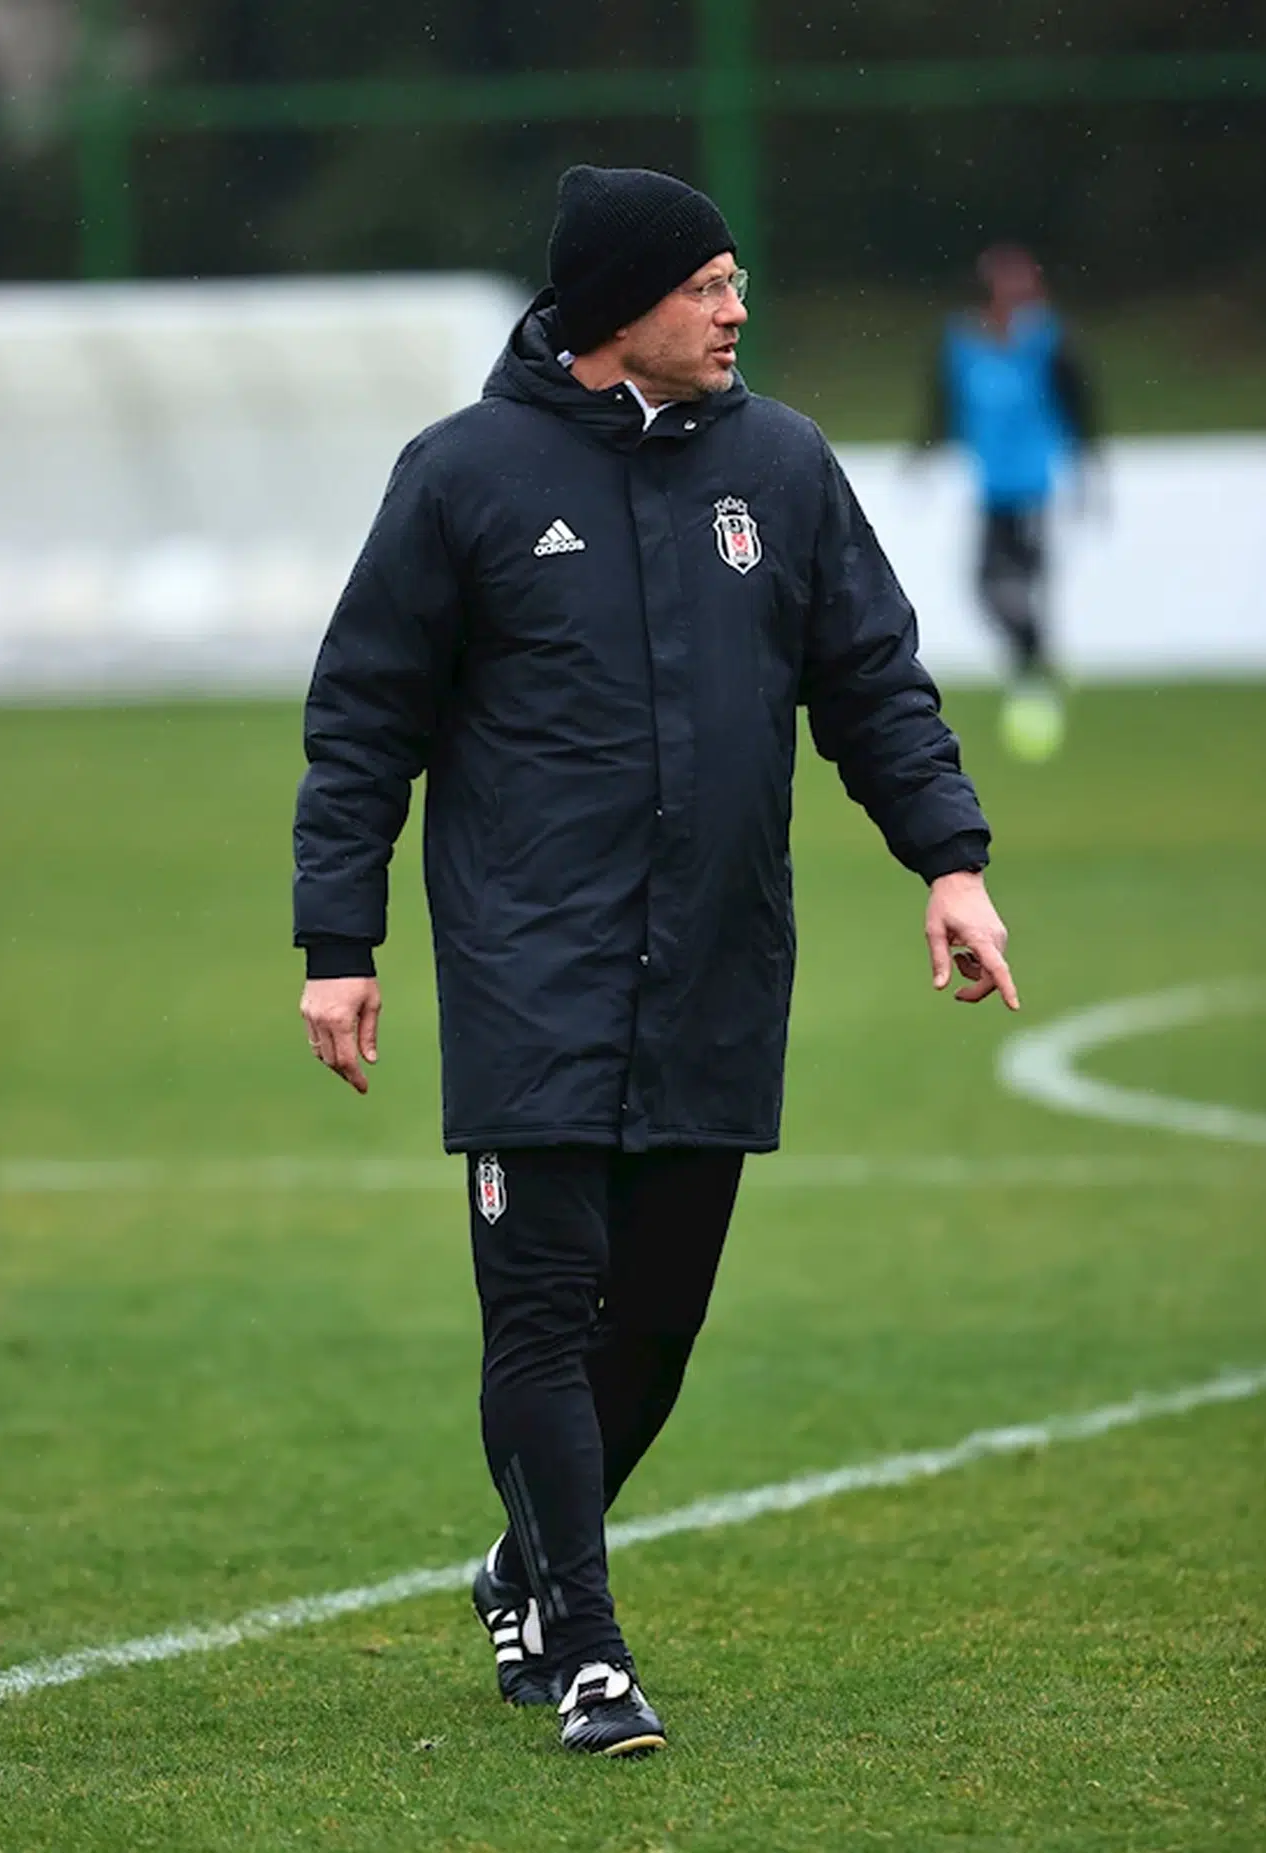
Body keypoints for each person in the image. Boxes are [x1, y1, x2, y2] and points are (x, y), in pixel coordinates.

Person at [293, 164, 1018, 1759]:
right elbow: (363, 722)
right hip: (528, 970)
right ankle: (589, 1650)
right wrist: (339, 942)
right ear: (621, 306)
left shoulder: (786, 466)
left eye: (735, 281)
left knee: (656, 1330)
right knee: (543, 1316)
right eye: (707, 285)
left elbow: (875, 683)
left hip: (716, 967)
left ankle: (519, 1566)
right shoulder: (462, 475)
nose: (737, 309)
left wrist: (951, 863)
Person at [915, 243, 1100, 761]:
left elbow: (1079, 404)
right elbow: (945, 403)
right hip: (991, 487)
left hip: (1033, 486)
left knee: (1021, 585)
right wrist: (922, 453)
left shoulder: (1047, 341)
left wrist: (1088, 468)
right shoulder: (963, 344)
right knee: (988, 587)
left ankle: (1036, 675)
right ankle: (1038, 663)